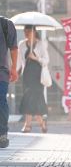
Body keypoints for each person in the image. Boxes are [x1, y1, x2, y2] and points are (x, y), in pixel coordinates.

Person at [17, 25, 49, 133]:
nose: (26, 33)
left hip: (38, 76)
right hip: (27, 75)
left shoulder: (41, 44)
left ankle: (31, 124)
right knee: (28, 98)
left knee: (35, 99)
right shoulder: (21, 44)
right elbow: (19, 61)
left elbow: (46, 60)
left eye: (28, 31)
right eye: (25, 31)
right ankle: (38, 124)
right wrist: (15, 72)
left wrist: (35, 57)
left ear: (34, 32)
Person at [0, 16, 18, 148]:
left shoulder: (6, 24)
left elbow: (13, 48)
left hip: (1, 72)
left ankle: (2, 134)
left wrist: (14, 68)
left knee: (0, 102)